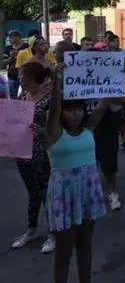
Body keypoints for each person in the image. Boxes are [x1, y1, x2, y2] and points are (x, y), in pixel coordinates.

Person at [45, 63, 108, 283]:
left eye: (79, 109)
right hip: (64, 196)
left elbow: (105, 99)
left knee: (85, 247)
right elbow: (53, 109)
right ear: (61, 112)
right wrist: (57, 82)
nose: (75, 113)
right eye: (69, 109)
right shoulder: (53, 133)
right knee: (63, 252)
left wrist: (113, 73)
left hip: (87, 193)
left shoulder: (89, 128)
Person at [11, 61, 55, 254]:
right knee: (32, 192)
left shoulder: (48, 99)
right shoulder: (23, 96)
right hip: (21, 151)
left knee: (46, 192)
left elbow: (56, 127)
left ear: (32, 77)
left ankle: (53, 234)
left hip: (41, 154)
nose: (20, 78)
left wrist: (45, 131)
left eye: (23, 75)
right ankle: (31, 230)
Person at [3, 30, 28, 98]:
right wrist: (11, 58)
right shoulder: (8, 48)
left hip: (25, 75)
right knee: (12, 97)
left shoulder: (26, 46)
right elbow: (3, 63)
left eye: (11, 37)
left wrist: (20, 56)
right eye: (9, 37)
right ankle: (13, 108)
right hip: (12, 75)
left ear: (18, 37)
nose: (9, 39)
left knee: (26, 95)